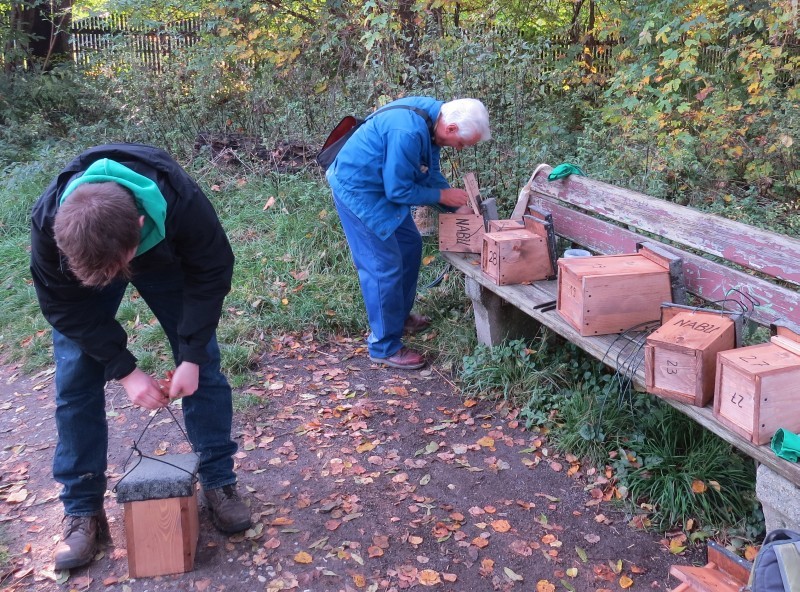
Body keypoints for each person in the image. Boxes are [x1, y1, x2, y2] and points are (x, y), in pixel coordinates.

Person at [30, 143, 252, 571]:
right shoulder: (49, 223)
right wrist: (125, 370)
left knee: (203, 363)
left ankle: (219, 482)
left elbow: (212, 271)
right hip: (92, 263)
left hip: (164, 254)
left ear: (139, 223)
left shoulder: (181, 202)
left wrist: (190, 355)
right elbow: (62, 307)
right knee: (75, 378)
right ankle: (82, 510)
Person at [325, 97, 491, 370]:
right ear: (450, 128)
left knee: (410, 244)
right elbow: (398, 191)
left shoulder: (432, 118)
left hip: (382, 185)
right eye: (461, 143)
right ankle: (384, 346)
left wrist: (453, 204)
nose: (459, 149)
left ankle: (398, 318)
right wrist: (442, 195)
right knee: (383, 266)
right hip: (358, 189)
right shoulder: (408, 131)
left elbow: (429, 172)